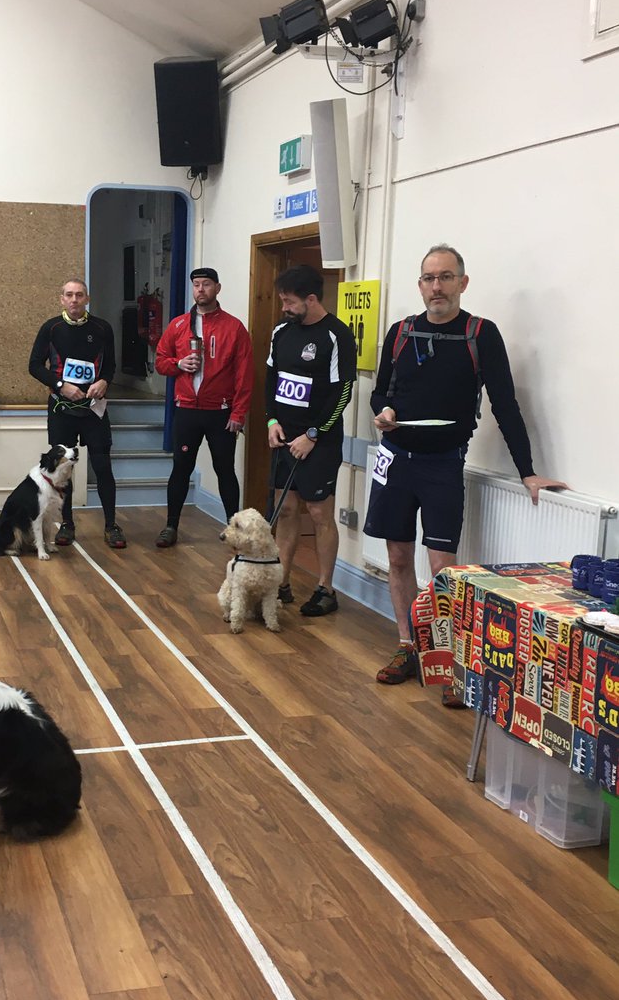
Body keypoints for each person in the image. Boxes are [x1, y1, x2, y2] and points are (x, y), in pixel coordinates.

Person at [367, 243, 567, 702]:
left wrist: (528, 472)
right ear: (420, 285)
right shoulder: (401, 332)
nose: (436, 286)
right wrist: (385, 411)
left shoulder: (482, 334)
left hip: (443, 463)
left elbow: (505, 405)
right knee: (398, 558)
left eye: (445, 277)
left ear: (462, 282)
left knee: (443, 569)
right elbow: (380, 393)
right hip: (395, 459)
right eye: (429, 278)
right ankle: (408, 646)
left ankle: (450, 662)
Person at [265, 264, 356, 616]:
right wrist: (271, 420)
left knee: (319, 513)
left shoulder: (337, 335)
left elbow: (343, 393)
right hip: (284, 437)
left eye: (290, 302)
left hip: (319, 440)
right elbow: (271, 379)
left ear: (312, 299)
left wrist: (313, 434)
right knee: (286, 509)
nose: (284, 308)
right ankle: (281, 582)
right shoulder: (281, 331)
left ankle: (325, 588)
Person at [154, 267, 253, 547]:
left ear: (217, 288)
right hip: (187, 410)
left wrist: (239, 412)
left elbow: (244, 374)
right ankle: (171, 526)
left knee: (225, 470)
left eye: (206, 284)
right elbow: (161, 361)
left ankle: (235, 529)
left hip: (221, 413)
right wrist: (178, 364)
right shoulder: (178, 325)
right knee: (180, 468)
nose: (200, 289)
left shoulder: (234, 327)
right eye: (196, 284)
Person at [28, 277, 126, 549]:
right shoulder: (51, 328)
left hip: (94, 410)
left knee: (103, 467)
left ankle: (111, 525)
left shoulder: (102, 328)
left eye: (79, 295)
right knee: (63, 470)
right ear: (62, 299)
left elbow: (110, 365)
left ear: (87, 299)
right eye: (69, 295)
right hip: (62, 410)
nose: (74, 300)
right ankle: (67, 524)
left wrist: (104, 381)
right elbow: (34, 365)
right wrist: (61, 386)